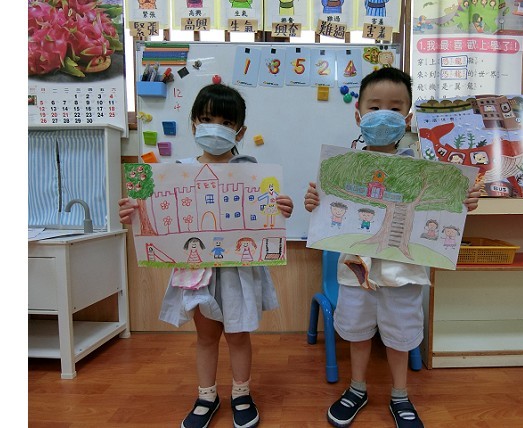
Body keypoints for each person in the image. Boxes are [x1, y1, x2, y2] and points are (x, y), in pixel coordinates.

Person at [304, 67, 481, 428]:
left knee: (401, 335)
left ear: (408, 117)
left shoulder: (425, 171)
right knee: (356, 331)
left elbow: (443, 210)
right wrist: (315, 202)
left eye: (395, 108)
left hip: (404, 272)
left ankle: (400, 394)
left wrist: (464, 201)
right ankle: (357, 388)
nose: (383, 115)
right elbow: (329, 214)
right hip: (355, 268)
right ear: (358, 116)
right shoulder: (343, 167)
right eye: (374, 107)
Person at [119, 83, 294, 428]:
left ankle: (241, 393)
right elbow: (157, 213)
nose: (216, 128)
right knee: (206, 336)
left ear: (240, 132)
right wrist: (133, 213)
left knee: (238, 335)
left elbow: (267, 214)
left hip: (239, 269)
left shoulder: (251, 171)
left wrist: (281, 208)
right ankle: (206, 396)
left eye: (226, 123)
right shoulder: (176, 171)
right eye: (207, 119)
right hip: (197, 272)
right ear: (194, 124)